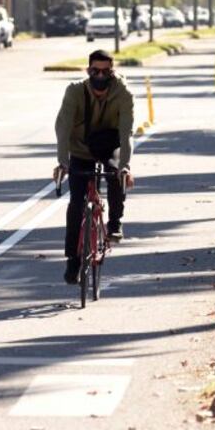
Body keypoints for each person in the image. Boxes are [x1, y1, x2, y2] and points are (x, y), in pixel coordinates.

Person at [54, 49, 135, 284]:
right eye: (95, 71)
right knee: (76, 203)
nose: (100, 76)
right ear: (88, 70)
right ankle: (73, 259)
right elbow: (63, 128)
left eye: (105, 71)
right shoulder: (75, 91)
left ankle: (115, 223)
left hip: (109, 145)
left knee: (115, 174)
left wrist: (125, 166)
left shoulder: (123, 93)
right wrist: (62, 162)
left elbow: (126, 132)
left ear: (112, 72)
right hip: (80, 149)